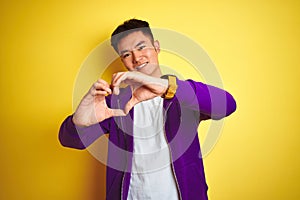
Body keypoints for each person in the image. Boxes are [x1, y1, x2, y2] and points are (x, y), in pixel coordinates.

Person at [59, 19, 236, 200]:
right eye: (127, 54)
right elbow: (70, 141)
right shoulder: (115, 103)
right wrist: (77, 122)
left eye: (142, 47)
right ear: (122, 60)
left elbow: (228, 104)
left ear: (156, 47)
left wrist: (168, 87)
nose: (137, 58)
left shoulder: (182, 95)